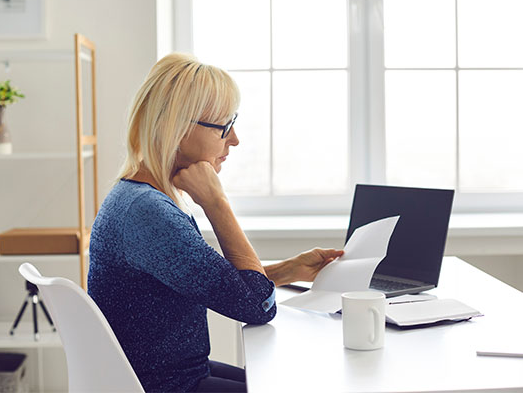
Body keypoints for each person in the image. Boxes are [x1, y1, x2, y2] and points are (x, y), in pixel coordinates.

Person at [87, 53, 343, 392]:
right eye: (224, 126)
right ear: (177, 129)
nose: (234, 139)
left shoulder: (138, 198)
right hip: (169, 385)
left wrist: (286, 271)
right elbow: (257, 307)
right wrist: (217, 203)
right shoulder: (149, 214)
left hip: (170, 374)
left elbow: (219, 285)